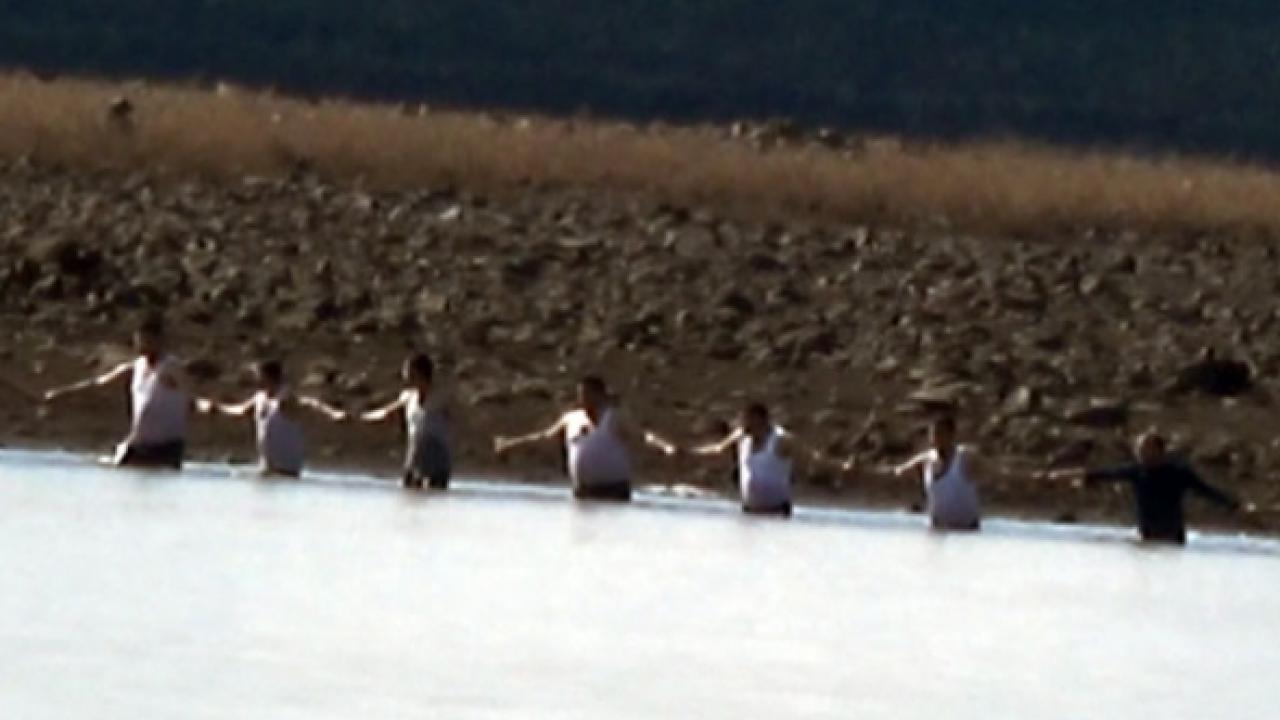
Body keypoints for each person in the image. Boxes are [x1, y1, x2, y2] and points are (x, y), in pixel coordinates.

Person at [1045, 430, 1251, 545]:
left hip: (1172, 537)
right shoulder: (1136, 471)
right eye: (1138, 449)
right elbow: (1102, 474)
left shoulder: (1177, 473)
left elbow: (1205, 491)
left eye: (1144, 449)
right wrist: (1058, 476)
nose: (1139, 453)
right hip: (1146, 535)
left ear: (1159, 451)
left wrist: (1235, 506)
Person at [43, 316, 191, 469]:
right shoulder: (135, 367)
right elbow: (99, 383)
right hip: (139, 443)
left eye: (147, 341)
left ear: (159, 341)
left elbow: (189, 393)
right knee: (112, 467)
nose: (142, 345)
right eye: (140, 340)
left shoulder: (171, 367)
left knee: (155, 472)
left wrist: (202, 405)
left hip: (166, 445)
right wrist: (61, 393)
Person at [495, 375, 666, 502]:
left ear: (600, 395)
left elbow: (643, 436)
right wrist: (511, 444)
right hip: (583, 489)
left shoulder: (614, 418)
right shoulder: (571, 418)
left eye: (588, 394)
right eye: (581, 394)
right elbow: (545, 437)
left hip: (614, 489)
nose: (583, 399)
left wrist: (665, 447)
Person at [197, 360, 347, 478]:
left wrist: (333, 413)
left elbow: (310, 404)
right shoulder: (260, 398)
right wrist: (216, 408)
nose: (256, 380)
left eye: (259, 376)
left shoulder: (285, 399)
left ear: (269, 377)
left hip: (287, 469)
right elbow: (240, 411)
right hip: (268, 466)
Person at [858, 415, 982, 531]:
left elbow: (991, 471)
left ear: (951, 435)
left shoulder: (965, 457)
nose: (934, 438)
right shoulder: (926, 459)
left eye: (940, 433)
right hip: (937, 529)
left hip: (966, 530)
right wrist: (861, 470)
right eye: (932, 434)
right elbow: (896, 472)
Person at [677, 402, 800, 516]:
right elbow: (718, 450)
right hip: (750, 509)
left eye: (748, 420)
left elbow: (805, 455)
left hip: (777, 510)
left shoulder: (781, 439)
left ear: (760, 420)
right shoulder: (741, 435)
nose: (744, 424)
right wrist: (688, 453)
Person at [358, 353, 453, 490]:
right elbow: (386, 413)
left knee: (433, 490)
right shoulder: (407, 396)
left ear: (421, 373)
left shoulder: (441, 397)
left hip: (437, 457)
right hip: (414, 454)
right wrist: (357, 418)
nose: (405, 376)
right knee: (408, 490)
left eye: (410, 372)